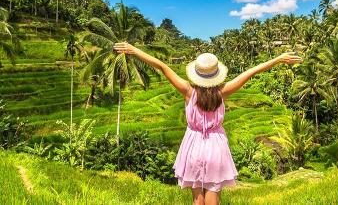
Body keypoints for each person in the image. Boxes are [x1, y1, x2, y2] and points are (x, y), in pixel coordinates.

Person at [113, 42, 302, 205]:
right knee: (213, 194)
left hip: (193, 144)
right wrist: (278, 58)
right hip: (216, 145)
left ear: (196, 73)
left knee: (197, 198)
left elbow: (162, 66)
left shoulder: (187, 90)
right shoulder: (223, 92)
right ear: (216, 74)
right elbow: (251, 72)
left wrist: (133, 50)